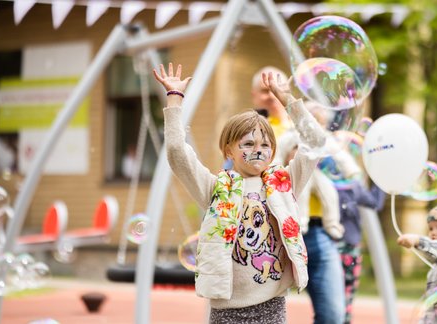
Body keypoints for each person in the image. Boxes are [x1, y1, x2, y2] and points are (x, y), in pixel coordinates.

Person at [154, 62, 326, 323]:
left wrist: (288, 100)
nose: (258, 150)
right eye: (247, 143)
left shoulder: (285, 184)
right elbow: (178, 154)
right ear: (228, 150)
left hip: (272, 306)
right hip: (227, 311)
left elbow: (315, 141)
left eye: (265, 145)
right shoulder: (216, 189)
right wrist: (175, 100)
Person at [277, 130, 346, 324]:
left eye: (307, 149)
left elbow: (347, 169)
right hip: (282, 236)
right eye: (298, 148)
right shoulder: (276, 177)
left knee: (333, 315)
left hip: (319, 234)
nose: (304, 153)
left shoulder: (322, 174)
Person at [317, 154, 386, 324]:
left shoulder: (354, 188)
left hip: (351, 249)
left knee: (347, 297)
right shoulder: (321, 187)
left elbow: (375, 202)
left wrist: (380, 176)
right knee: (329, 301)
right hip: (329, 247)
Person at [250, 66, 292, 138]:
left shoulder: (300, 122)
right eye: (265, 91)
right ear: (254, 95)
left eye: (277, 91)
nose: (272, 96)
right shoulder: (247, 127)